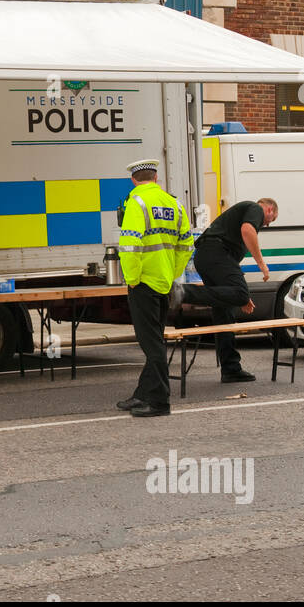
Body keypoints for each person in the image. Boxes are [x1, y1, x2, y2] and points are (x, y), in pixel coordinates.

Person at [115, 158, 194, 418]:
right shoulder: (174, 204)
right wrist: (172, 273)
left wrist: (133, 278)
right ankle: (142, 394)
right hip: (164, 283)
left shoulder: (135, 202)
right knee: (155, 340)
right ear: (156, 179)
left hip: (144, 283)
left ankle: (159, 402)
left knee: (152, 344)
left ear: (134, 180)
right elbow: (187, 245)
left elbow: (129, 247)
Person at [176, 197, 279, 383]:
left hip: (208, 256)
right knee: (239, 294)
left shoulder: (240, 216)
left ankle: (230, 368)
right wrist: (262, 265)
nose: (266, 225)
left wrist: (242, 298)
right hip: (216, 252)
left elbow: (230, 276)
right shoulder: (255, 208)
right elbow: (247, 230)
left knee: (225, 313)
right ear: (270, 209)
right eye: (270, 221)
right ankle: (182, 293)